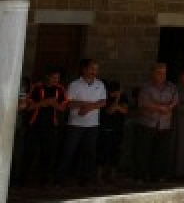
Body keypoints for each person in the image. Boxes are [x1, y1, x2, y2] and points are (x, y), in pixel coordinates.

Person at [59, 58, 107, 186]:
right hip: (75, 124)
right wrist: (84, 105)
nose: (94, 71)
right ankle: (61, 177)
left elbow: (103, 102)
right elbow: (68, 103)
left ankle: (85, 178)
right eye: (91, 68)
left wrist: (89, 107)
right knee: (69, 151)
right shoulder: (74, 84)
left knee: (89, 152)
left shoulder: (100, 84)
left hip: (92, 125)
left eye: (96, 69)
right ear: (84, 69)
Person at [24, 67, 67, 187]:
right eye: (54, 77)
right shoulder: (36, 88)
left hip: (51, 126)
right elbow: (28, 107)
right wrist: (44, 102)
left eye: (58, 78)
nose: (56, 80)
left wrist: (54, 104)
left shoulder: (60, 89)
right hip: (34, 125)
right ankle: (23, 179)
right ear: (47, 76)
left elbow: (63, 107)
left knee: (47, 154)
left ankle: (43, 180)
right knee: (29, 153)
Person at [135, 62, 178, 183]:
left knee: (161, 151)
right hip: (148, 123)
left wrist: (168, 107)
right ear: (153, 73)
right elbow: (143, 102)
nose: (162, 75)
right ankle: (140, 176)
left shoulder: (171, 87)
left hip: (164, 124)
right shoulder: (146, 87)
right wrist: (161, 108)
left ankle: (157, 175)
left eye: (164, 73)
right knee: (144, 151)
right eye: (159, 73)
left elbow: (175, 100)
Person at [97, 81, 129, 183]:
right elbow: (109, 111)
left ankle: (112, 175)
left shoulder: (123, 97)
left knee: (115, 152)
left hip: (118, 129)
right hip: (106, 129)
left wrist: (118, 105)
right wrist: (116, 99)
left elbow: (125, 110)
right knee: (103, 152)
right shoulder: (104, 97)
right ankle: (99, 175)